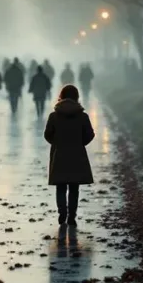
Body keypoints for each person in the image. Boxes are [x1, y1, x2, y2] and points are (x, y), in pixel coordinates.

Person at [44, 85, 95, 226]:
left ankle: (62, 213)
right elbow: (90, 134)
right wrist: (80, 143)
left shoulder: (54, 116)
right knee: (74, 187)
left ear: (61, 96)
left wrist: (56, 143)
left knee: (60, 186)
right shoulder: (83, 116)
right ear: (76, 97)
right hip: (77, 154)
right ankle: (72, 216)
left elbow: (47, 135)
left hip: (59, 154)